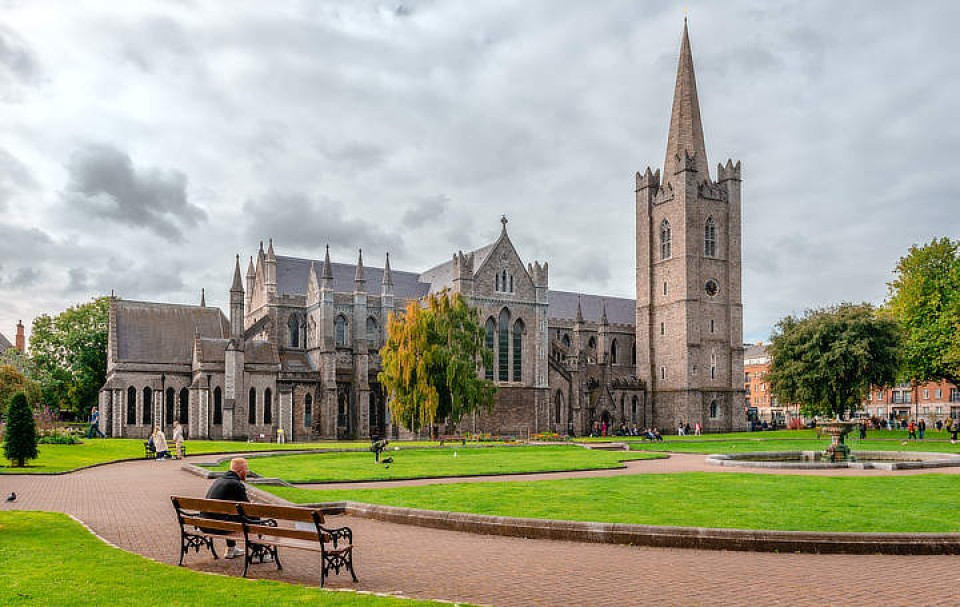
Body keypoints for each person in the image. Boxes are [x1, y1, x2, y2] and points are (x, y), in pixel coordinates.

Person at [203, 458, 252, 560]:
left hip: (204, 524)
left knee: (230, 515)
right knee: (255, 518)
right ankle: (258, 551)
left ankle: (231, 548)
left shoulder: (219, 480)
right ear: (241, 471)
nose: (247, 472)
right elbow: (248, 508)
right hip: (218, 526)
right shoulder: (235, 484)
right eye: (246, 469)